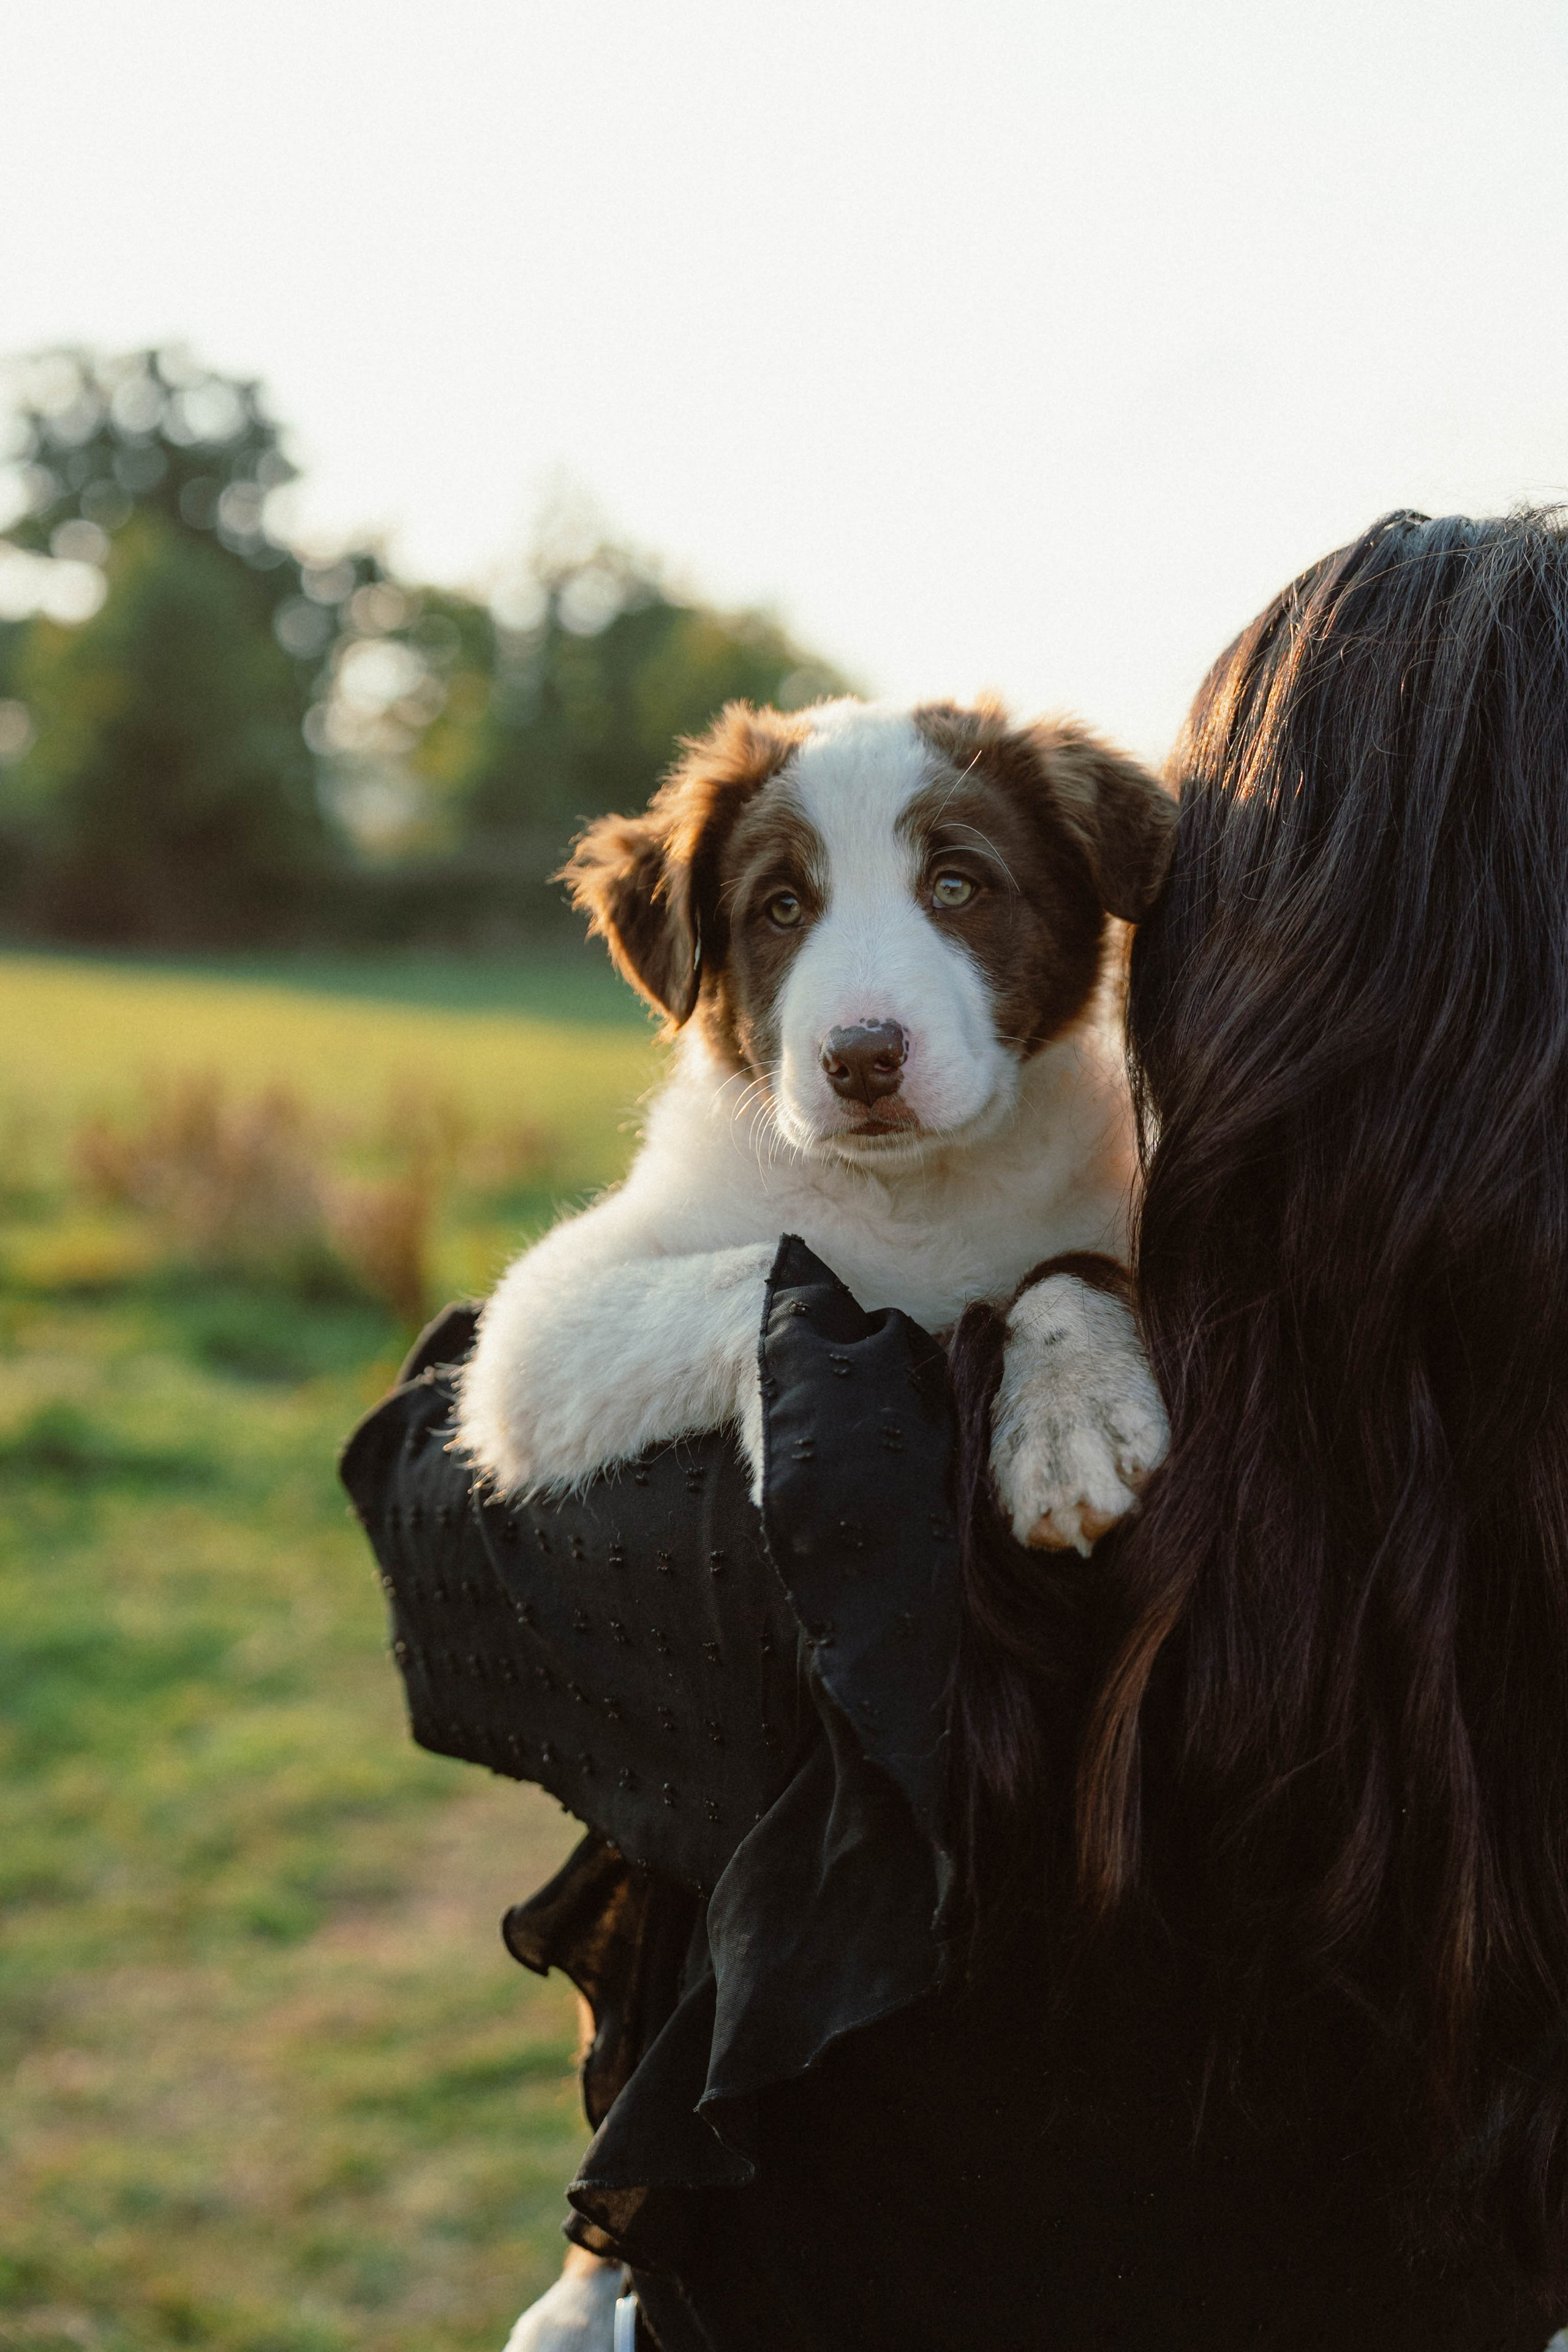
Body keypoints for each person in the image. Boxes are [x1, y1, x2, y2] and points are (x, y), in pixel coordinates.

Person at [342, 508, 1568, 2351]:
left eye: (959, 883)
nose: (863, 996)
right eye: (786, 909)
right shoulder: (1313, 1376)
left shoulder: (1122, 1365)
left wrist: (974, 1362)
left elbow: (445, 1508)